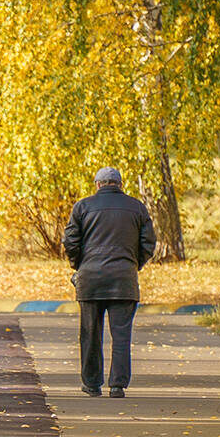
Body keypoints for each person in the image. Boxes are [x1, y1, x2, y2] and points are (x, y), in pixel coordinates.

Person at [62, 167, 156, 398]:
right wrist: (134, 264)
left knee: (90, 334)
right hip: (124, 279)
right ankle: (117, 385)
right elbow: (148, 243)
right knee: (121, 335)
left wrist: (79, 265)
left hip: (90, 280)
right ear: (120, 184)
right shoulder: (137, 207)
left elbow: (70, 241)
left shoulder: (82, 207)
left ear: (97, 185)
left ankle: (92, 384)